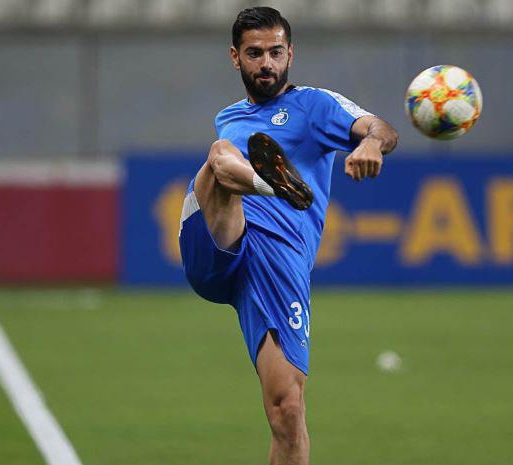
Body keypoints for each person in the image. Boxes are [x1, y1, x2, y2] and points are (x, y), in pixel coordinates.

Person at [178, 6, 398, 465]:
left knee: (287, 410)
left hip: (276, 266)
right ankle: (271, 184)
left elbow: (381, 128)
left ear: (290, 54)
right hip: (220, 239)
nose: (267, 63)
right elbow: (222, 159)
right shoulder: (229, 116)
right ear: (235, 57)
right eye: (255, 53)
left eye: (275, 52)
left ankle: (270, 184)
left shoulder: (315, 106)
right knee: (220, 152)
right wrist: (268, 188)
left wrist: (371, 144)